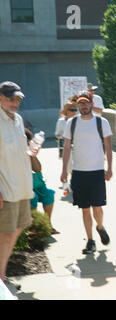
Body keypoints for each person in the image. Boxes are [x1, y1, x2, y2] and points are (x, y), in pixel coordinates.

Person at [61, 91, 113, 255]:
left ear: (92, 104)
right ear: (77, 105)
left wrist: (110, 167)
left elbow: (109, 147)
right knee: (84, 209)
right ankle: (90, 241)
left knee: (97, 207)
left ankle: (99, 227)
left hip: (97, 171)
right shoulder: (72, 123)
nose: (83, 106)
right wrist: (64, 170)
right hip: (78, 172)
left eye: (86, 103)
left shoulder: (101, 122)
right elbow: (67, 147)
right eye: (80, 103)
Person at [0, 81, 34, 285]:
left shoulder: (19, 119)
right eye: (11, 98)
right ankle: (1, 278)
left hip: (23, 186)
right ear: (0, 99)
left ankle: (1, 274)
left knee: (18, 228)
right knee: (5, 234)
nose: (15, 102)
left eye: (18, 99)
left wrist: (31, 152)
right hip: (6, 188)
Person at [25, 129, 58, 234]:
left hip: (36, 183)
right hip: (24, 185)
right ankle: (31, 227)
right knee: (33, 197)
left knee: (49, 194)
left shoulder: (29, 151)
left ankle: (47, 224)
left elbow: (38, 169)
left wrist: (32, 155)